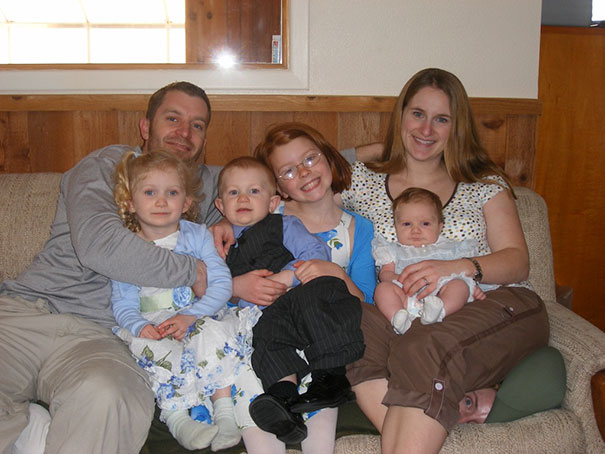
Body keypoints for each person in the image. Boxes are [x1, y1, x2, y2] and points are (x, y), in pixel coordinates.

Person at [338, 68, 549, 453]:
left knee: (424, 342)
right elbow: (306, 171)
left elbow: (518, 261)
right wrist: (379, 148)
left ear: (457, 127)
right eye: (417, 114)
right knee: (353, 324)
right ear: (401, 116)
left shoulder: (484, 183)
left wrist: (457, 267)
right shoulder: (362, 180)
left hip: (492, 301)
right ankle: (433, 423)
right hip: (404, 310)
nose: (426, 129)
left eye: (442, 119)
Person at [0, 81, 218, 454]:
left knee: (111, 396)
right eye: (173, 118)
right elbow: (100, 247)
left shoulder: (209, 187)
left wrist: (232, 220)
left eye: (196, 125)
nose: (184, 132)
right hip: (26, 314)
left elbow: (278, 183)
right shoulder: (108, 165)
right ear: (145, 127)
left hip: (102, 338)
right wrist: (193, 271)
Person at [210, 123, 376, 454]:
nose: (303, 172)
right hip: (262, 324)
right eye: (288, 171)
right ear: (278, 190)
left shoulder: (358, 228)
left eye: (310, 159)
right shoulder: (264, 214)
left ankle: (321, 392)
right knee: (258, 364)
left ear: (328, 157)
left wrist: (333, 272)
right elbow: (213, 269)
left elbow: (366, 303)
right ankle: (279, 406)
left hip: (321, 325)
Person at [110, 149, 253, 451]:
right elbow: (122, 301)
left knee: (212, 334)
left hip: (197, 312)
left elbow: (221, 283)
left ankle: (225, 414)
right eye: (150, 192)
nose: (161, 201)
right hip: (153, 320)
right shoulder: (126, 246)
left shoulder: (197, 235)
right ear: (131, 203)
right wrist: (138, 326)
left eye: (172, 193)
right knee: (155, 350)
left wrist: (194, 314)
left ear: (186, 202)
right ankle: (178, 420)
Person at [373, 187, 495, 335]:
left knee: (459, 285)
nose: (415, 230)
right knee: (382, 289)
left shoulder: (451, 248)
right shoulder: (392, 250)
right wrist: (402, 280)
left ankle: (440, 312)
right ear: (396, 227)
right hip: (406, 297)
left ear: (439, 227)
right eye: (406, 224)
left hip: (441, 294)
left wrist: (472, 287)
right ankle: (398, 318)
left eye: (425, 224)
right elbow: (385, 274)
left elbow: (463, 272)